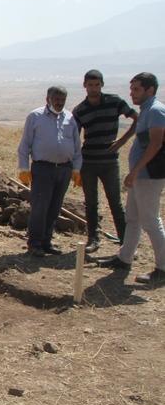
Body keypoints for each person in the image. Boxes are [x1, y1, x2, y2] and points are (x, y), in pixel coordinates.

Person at [99, 73, 165, 284]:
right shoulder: (146, 110)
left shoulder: (156, 111)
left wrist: (135, 171)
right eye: (132, 89)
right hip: (141, 175)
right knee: (133, 218)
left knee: (150, 221)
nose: (132, 93)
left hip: (149, 175)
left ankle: (163, 268)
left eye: (136, 89)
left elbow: (155, 144)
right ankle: (124, 258)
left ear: (150, 90)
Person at [71, 69, 138, 253]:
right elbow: (75, 139)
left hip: (110, 162)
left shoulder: (115, 102)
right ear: (84, 85)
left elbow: (136, 119)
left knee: (115, 202)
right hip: (89, 162)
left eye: (97, 85)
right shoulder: (80, 110)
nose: (94, 89)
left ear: (102, 84)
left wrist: (122, 141)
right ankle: (93, 239)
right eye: (90, 85)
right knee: (91, 202)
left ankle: (126, 242)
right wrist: (74, 166)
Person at [17, 86, 83, 257]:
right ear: (48, 98)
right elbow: (25, 145)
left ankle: (47, 242)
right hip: (43, 168)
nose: (59, 103)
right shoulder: (35, 117)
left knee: (55, 207)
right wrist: (24, 168)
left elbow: (76, 146)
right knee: (40, 207)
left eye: (62, 100)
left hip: (64, 169)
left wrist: (76, 169)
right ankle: (35, 244)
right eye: (56, 99)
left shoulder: (69, 118)